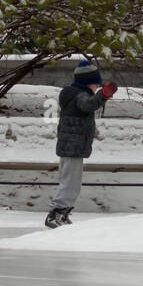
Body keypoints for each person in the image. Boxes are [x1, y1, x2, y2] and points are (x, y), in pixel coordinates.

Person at [46, 60, 117, 228]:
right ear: (87, 83)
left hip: (71, 146)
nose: (95, 88)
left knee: (71, 182)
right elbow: (88, 105)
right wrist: (104, 95)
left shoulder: (73, 94)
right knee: (71, 183)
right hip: (73, 147)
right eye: (95, 85)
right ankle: (56, 213)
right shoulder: (80, 95)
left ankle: (63, 213)